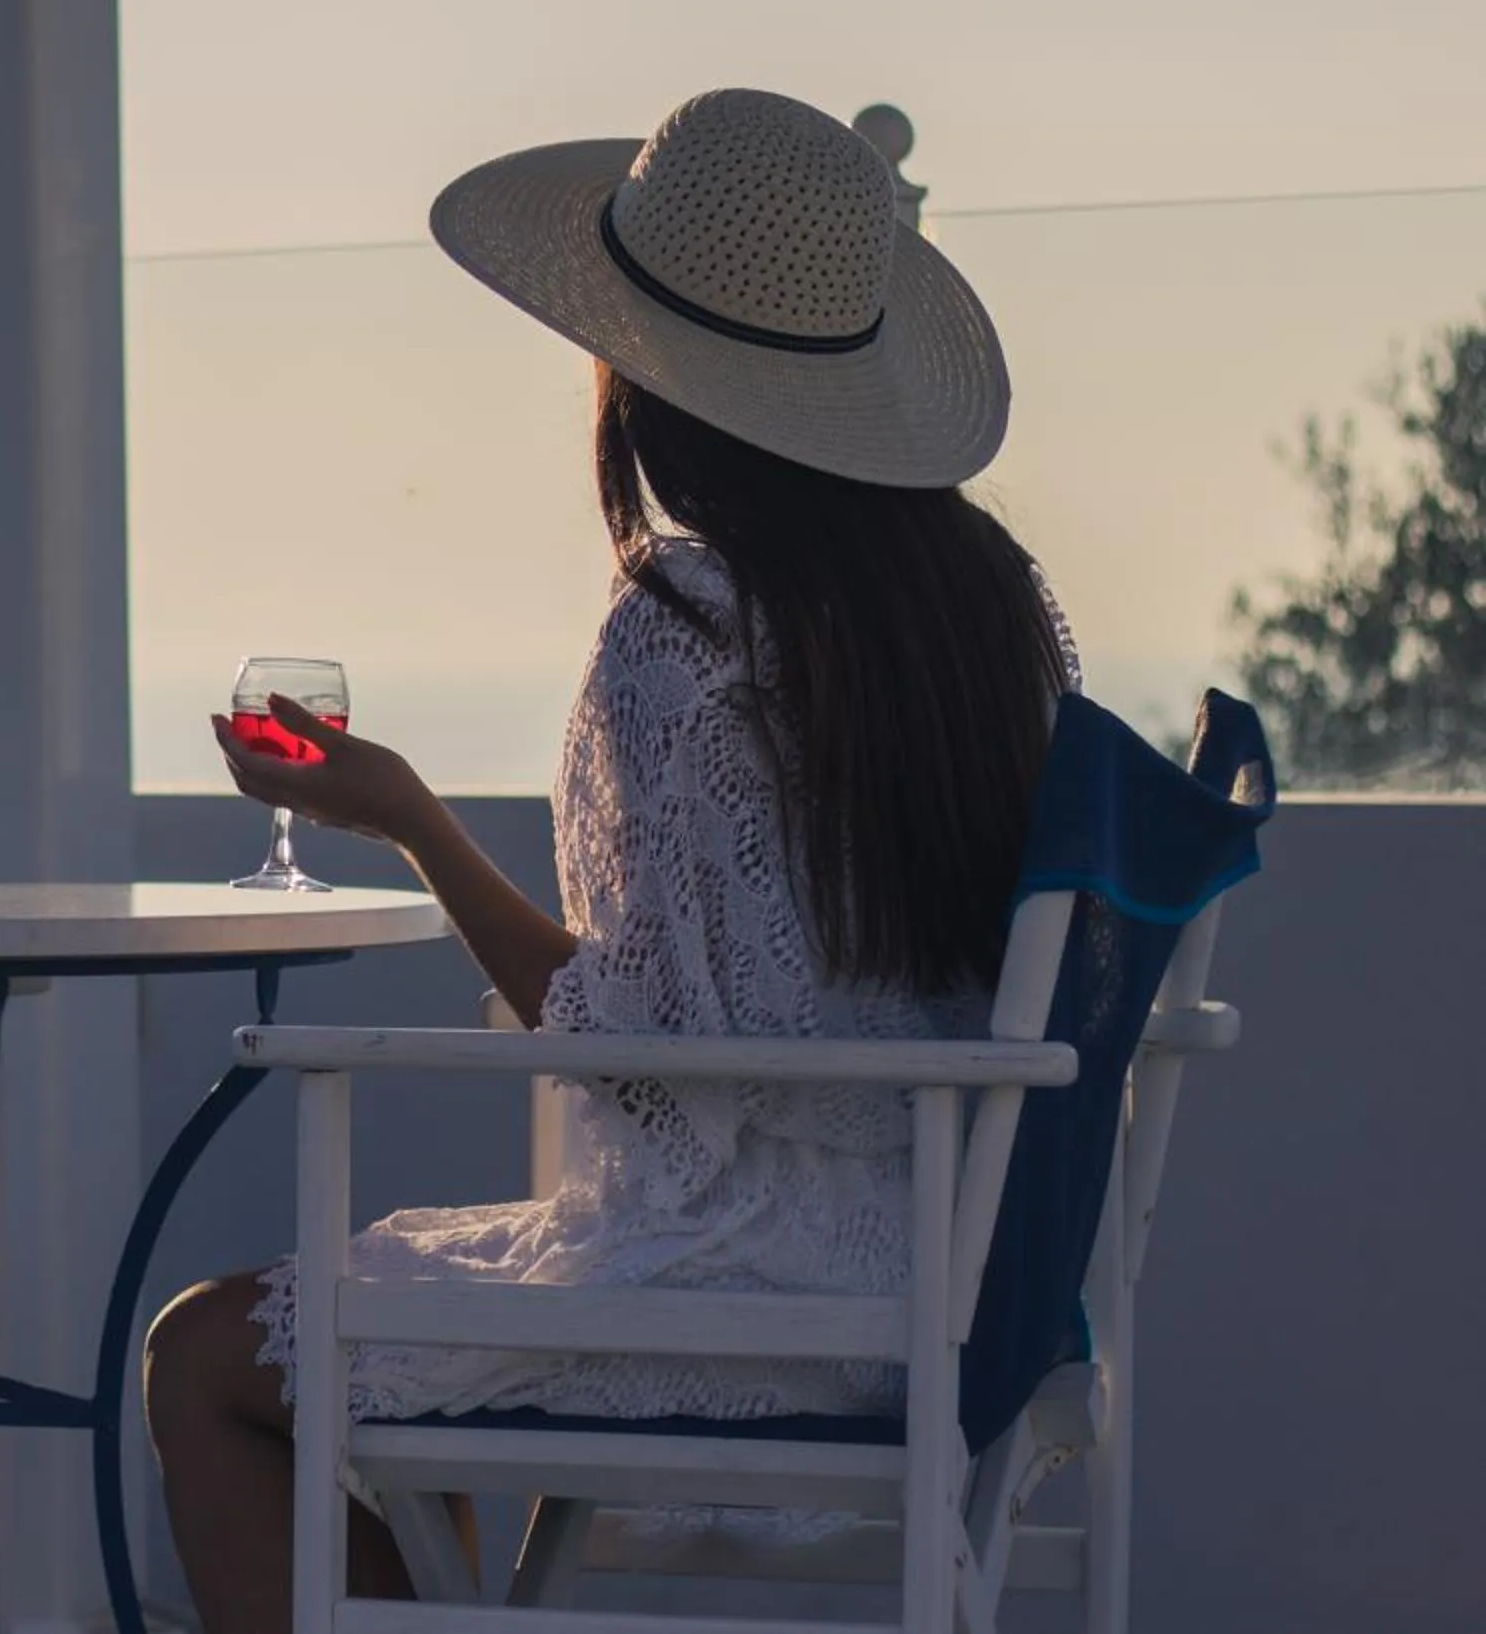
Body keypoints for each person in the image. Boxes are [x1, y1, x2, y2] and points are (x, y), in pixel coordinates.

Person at [144, 88, 1078, 1623]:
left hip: (761, 1305)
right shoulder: (988, 608)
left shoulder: (686, 634)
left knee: (199, 1358)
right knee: (397, 1352)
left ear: (642, 376)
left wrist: (412, 823)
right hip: (964, 1284)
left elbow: (639, 1061)